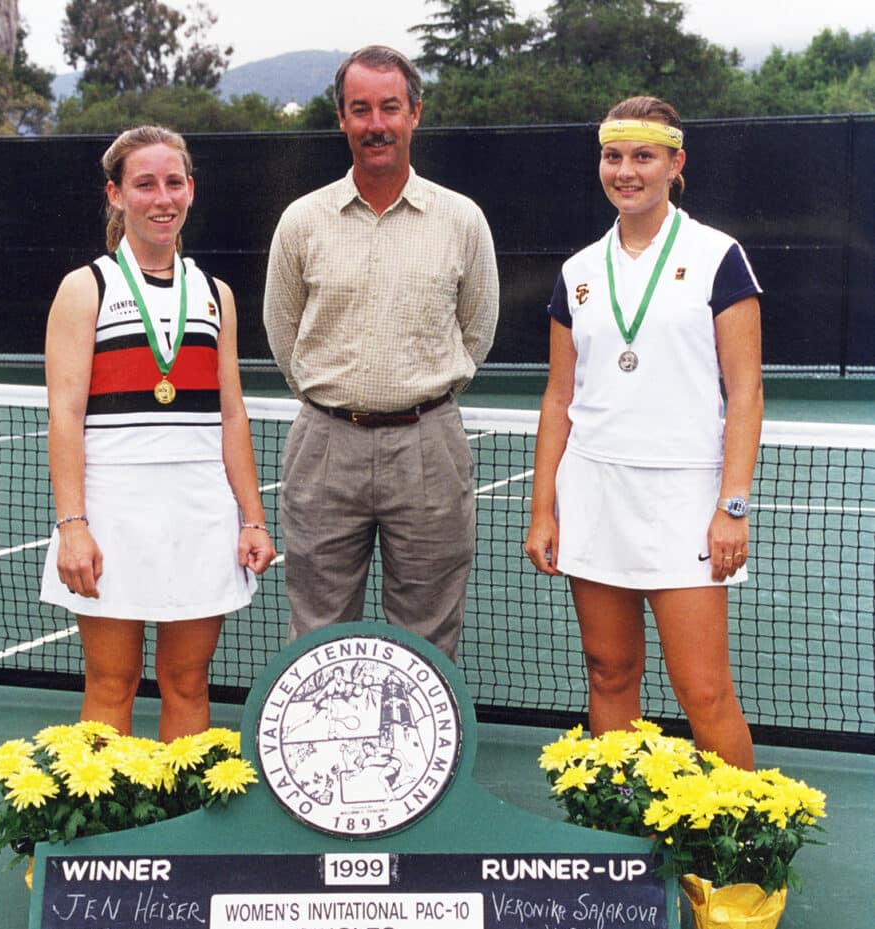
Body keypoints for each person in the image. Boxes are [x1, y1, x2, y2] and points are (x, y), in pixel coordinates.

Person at [524, 97, 762, 769]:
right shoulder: (578, 271)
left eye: (643, 156)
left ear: (676, 164)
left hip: (685, 501)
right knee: (609, 672)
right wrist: (543, 510)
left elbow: (746, 392)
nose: (625, 171)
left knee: (703, 691)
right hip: (595, 495)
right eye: (613, 156)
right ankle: (620, 827)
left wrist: (732, 506)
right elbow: (560, 396)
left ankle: (738, 837)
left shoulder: (718, 256)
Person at [40, 125, 276, 742]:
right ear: (116, 194)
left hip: (200, 512)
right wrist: (73, 525)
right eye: (145, 184)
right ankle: (105, 806)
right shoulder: (85, 287)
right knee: (111, 683)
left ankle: (179, 805)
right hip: (112, 511)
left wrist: (252, 518)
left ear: (191, 190)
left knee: (188, 683)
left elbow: (231, 415)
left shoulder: (216, 294)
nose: (162, 198)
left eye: (174, 183)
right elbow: (64, 417)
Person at [263, 45, 499, 662]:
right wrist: (336, 405)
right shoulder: (302, 221)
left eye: (390, 107)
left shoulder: (462, 220)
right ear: (341, 117)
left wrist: (418, 398)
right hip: (323, 448)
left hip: (429, 447)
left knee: (427, 640)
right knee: (317, 635)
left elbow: (477, 331)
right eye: (361, 109)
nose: (376, 124)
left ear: (414, 113)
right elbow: (283, 333)